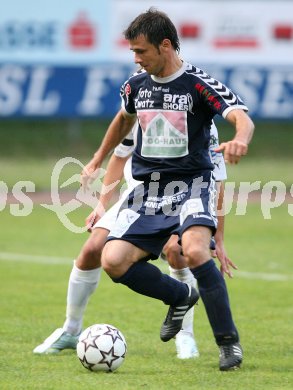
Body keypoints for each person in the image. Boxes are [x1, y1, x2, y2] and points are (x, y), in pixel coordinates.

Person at [81, 8, 254, 371]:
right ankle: (180, 296)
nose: (136, 58)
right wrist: (99, 157)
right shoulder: (136, 86)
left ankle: (228, 343)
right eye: (133, 52)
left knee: (193, 250)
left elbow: (241, 116)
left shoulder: (197, 83)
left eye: (141, 51)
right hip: (149, 191)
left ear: (165, 45)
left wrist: (240, 139)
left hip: (193, 184)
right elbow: (123, 118)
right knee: (112, 261)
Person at [33, 121, 231, 361]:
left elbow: (217, 179)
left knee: (176, 250)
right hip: (138, 197)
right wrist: (102, 205)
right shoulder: (138, 107)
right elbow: (119, 157)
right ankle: (71, 330)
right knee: (93, 250)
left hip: (183, 194)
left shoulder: (201, 117)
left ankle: (185, 335)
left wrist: (218, 237)